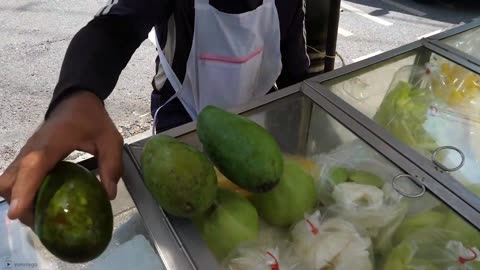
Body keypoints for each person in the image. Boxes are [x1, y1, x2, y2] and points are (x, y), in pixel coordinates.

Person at [0, 0, 310, 226]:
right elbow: (115, 26)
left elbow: (296, 74)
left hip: (256, 138)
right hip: (181, 131)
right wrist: (78, 92)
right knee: (188, 227)